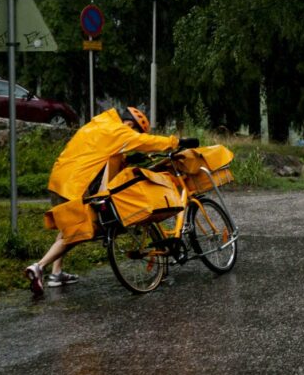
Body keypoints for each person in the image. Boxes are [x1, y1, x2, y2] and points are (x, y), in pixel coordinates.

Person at [24, 106, 192, 295]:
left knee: (68, 226)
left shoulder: (100, 124)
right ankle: (39, 266)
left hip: (59, 179)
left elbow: (100, 155)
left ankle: (56, 273)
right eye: (134, 130)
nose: (132, 133)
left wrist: (127, 160)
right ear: (129, 124)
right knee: (80, 230)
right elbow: (143, 141)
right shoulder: (118, 130)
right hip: (76, 185)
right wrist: (175, 141)